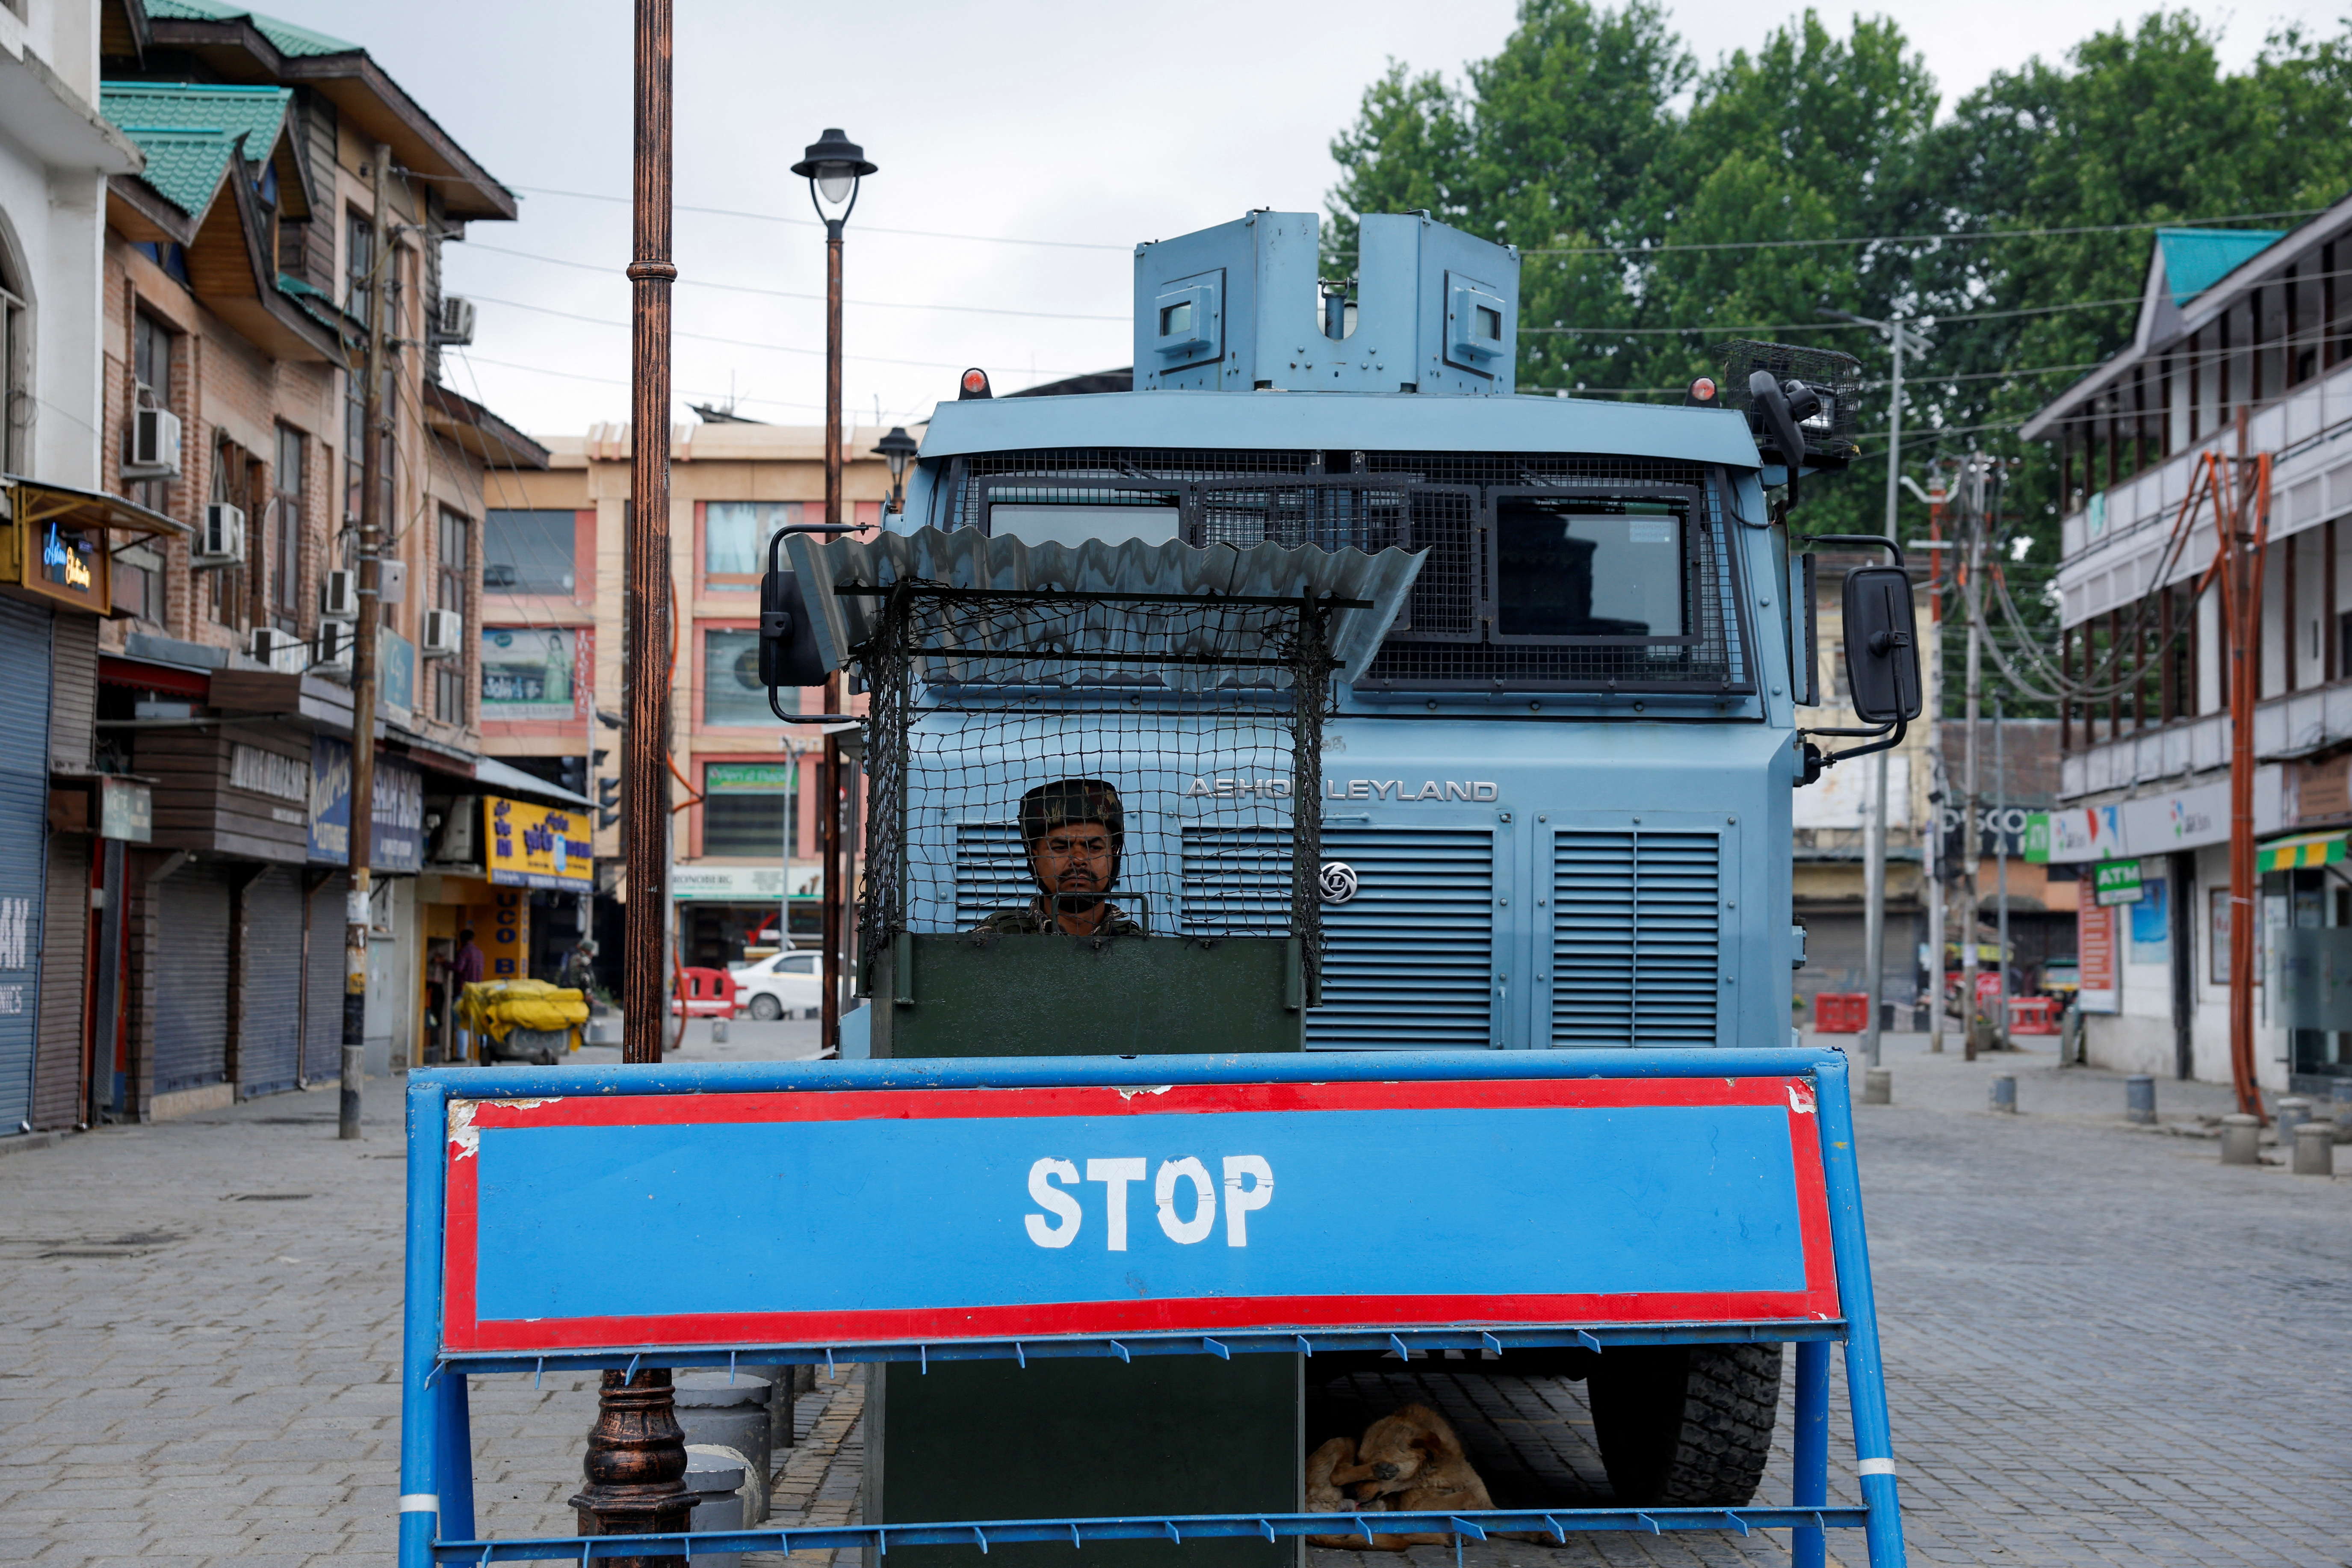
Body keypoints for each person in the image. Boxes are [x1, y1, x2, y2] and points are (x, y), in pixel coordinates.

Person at [971, 779, 1146, 938]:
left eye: (1094, 848)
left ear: (1114, 856)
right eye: (1061, 848)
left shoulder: (1141, 947)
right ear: (1034, 857)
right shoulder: (996, 939)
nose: (1079, 859)